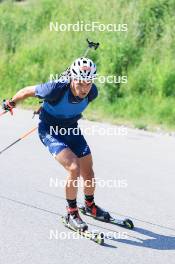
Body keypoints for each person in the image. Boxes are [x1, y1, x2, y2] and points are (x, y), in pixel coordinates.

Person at [3, 57, 110, 231]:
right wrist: (11, 102)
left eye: (88, 83)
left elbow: (71, 108)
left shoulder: (93, 92)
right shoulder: (54, 89)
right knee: (74, 167)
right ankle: (71, 213)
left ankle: (90, 206)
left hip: (71, 130)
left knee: (88, 171)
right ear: (73, 79)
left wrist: (53, 109)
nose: (84, 88)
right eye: (80, 83)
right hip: (49, 131)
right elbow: (27, 90)